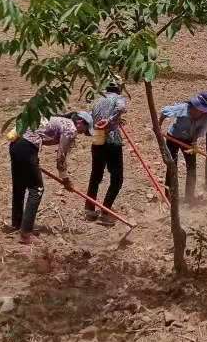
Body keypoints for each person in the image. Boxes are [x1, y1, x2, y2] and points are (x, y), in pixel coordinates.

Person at [9, 112, 93, 243]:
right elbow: (60, 158)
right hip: (27, 148)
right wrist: (65, 179)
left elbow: (42, 136)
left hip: (16, 145)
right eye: (85, 129)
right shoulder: (71, 128)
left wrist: (33, 160)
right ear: (80, 122)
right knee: (37, 189)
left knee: (19, 185)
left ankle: (17, 223)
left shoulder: (60, 120)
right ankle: (25, 234)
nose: (83, 133)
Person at [160, 91, 207, 204]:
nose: (204, 111)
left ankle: (189, 197)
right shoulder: (183, 108)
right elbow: (165, 112)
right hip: (173, 137)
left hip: (189, 140)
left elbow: (200, 130)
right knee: (172, 166)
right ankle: (168, 196)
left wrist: (194, 142)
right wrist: (158, 126)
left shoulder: (205, 116)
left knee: (191, 167)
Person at [85, 81, 129, 225]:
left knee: (95, 175)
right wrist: (110, 120)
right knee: (117, 178)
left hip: (97, 137)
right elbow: (121, 108)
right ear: (119, 89)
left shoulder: (98, 99)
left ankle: (89, 210)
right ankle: (105, 211)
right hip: (112, 140)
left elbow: (90, 116)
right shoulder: (119, 98)